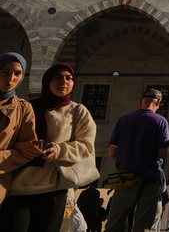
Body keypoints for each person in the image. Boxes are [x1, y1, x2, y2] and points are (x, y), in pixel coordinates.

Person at [5, 63, 98, 232]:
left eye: (68, 78)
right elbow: (8, 140)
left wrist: (60, 150)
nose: (64, 81)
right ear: (47, 81)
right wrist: (23, 146)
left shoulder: (78, 111)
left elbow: (86, 146)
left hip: (54, 188)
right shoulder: (26, 108)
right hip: (18, 187)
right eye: (58, 77)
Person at [105, 88, 169, 232]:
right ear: (158, 102)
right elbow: (162, 153)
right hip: (149, 179)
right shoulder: (160, 121)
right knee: (143, 224)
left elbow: (112, 152)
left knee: (115, 221)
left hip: (124, 178)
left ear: (140, 102)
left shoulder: (123, 120)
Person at [0, 53, 39, 209]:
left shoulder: (23, 108)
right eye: (5, 72)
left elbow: (26, 150)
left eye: (17, 73)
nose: (11, 79)